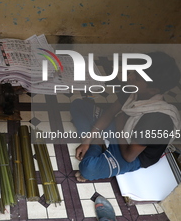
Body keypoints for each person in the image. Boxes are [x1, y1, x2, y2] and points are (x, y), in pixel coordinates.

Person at [70, 51, 181, 182]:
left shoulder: (155, 120)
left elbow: (129, 156)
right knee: (77, 105)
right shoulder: (133, 90)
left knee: (88, 169)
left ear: (153, 90)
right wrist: (88, 140)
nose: (130, 77)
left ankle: (98, 145)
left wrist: (119, 126)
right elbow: (110, 113)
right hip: (121, 129)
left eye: (137, 77)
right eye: (133, 71)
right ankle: (97, 141)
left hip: (133, 153)